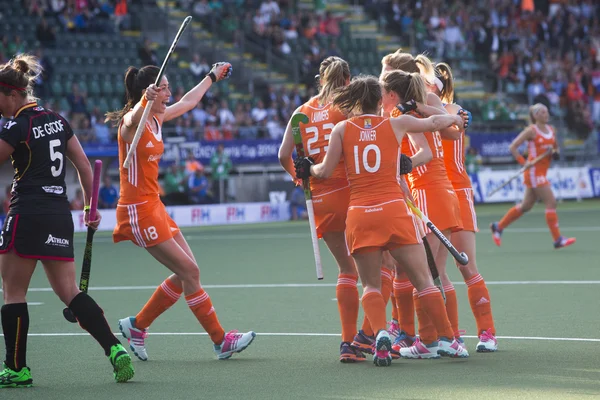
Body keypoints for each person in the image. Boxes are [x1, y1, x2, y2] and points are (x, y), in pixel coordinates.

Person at [294, 75, 468, 366]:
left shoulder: (341, 129)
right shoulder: (395, 123)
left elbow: (323, 171)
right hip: (394, 211)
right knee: (424, 281)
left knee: (371, 286)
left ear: (352, 102)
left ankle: (381, 336)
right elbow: (437, 125)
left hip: (361, 215)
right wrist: (455, 115)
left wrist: (307, 169)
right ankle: (449, 340)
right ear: (379, 100)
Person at [106, 62, 255, 361]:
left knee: (186, 271)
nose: (170, 93)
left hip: (154, 205)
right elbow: (132, 118)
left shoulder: (159, 116)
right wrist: (144, 101)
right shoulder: (131, 124)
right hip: (137, 210)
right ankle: (220, 340)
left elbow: (189, 101)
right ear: (150, 91)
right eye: (165, 88)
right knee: (190, 272)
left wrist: (211, 77)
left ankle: (138, 326)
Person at [0, 54, 134, 387]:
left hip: (27, 213)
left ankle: (17, 369)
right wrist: (90, 207)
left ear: (12, 94)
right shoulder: (58, 120)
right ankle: (115, 349)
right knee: (70, 291)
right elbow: (84, 167)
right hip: (59, 215)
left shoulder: (18, 125)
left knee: (13, 293)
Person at [279, 56, 366, 363]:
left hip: (319, 199)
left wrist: (297, 176)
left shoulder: (300, 111)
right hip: (351, 191)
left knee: (346, 269)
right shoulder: (345, 106)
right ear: (346, 79)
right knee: (378, 267)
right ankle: (371, 335)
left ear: (320, 78)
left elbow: (283, 154)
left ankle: (347, 343)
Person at [380, 53, 466, 355]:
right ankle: (443, 338)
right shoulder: (416, 111)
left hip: (429, 192)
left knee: (424, 274)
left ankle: (434, 341)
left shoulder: (410, 116)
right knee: (435, 273)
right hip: (438, 192)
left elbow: (426, 153)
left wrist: (403, 164)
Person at [434, 62, 498, 352]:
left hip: (455, 191)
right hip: (432, 192)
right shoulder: (422, 113)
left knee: (465, 266)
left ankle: (487, 333)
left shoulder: (450, 112)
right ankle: (452, 335)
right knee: (436, 270)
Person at [491, 104, 576, 249]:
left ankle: (498, 227)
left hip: (542, 171)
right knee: (551, 202)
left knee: (526, 206)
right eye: (542, 112)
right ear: (535, 115)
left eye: (546, 112)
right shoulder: (531, 131)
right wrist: (523, 162)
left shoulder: (551, 130)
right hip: (533, 171)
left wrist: (554, 152)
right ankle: (558, 239)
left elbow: (555, 148)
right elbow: (513, 147)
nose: (546, 115)